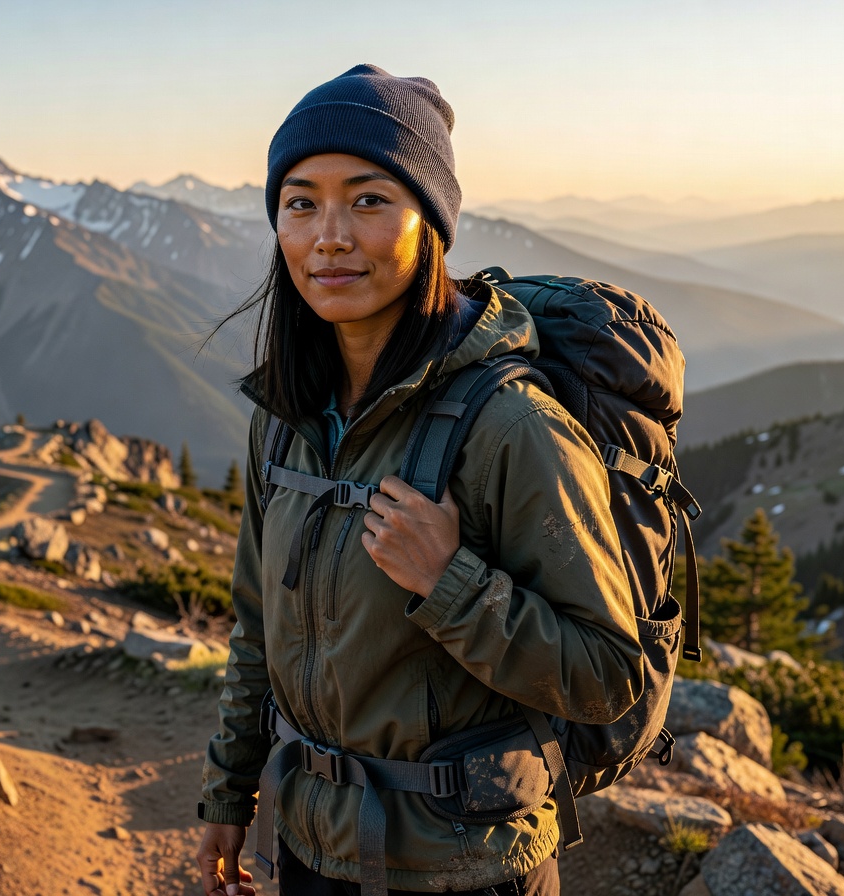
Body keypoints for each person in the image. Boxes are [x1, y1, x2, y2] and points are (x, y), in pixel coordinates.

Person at [196, 64, 644, 896]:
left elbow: (611, 676)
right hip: (309, 846)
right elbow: (259, 624)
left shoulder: (510, 426)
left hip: (466, 869)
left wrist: (451, 584)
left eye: (369, 200)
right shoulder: (288, 415)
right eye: (301, 203)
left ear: (428, 224)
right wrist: (231, 785)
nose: (330, 235)